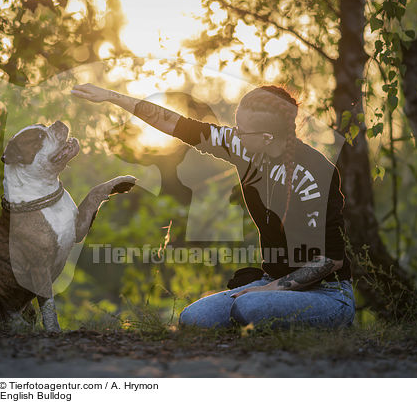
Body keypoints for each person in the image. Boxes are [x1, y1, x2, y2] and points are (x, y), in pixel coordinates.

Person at [71, 83, 356, 329]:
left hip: (327, 293)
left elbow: (331, 259)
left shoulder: (315, 172)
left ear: (267, 137)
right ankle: (260, 314)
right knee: (195, 319)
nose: (234, 134)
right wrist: (111, 96)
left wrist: (269, 290)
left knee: (250, 309)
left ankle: (310, 321)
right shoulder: (245, 147)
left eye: (242, 130)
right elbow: (175, 124)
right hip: (272, 284)